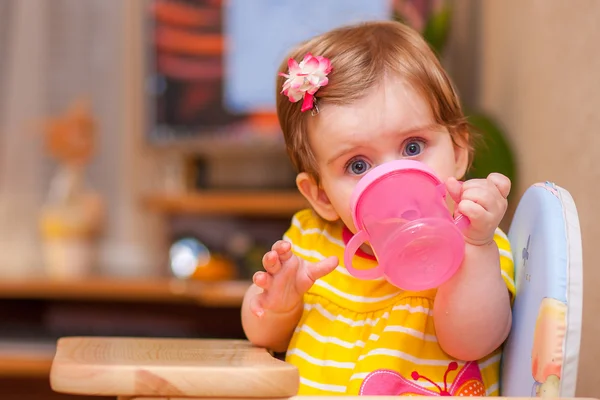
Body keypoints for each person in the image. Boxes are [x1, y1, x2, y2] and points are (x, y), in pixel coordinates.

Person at [241, 20, 515, 396]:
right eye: (358, 165)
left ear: (458, 152)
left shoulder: (475, 240)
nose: (392, 178)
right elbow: (260, 334)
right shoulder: (309, 240)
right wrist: (278, 305)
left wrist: (478, 246)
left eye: (413, 147)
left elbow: (471, 342)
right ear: (320, 195)